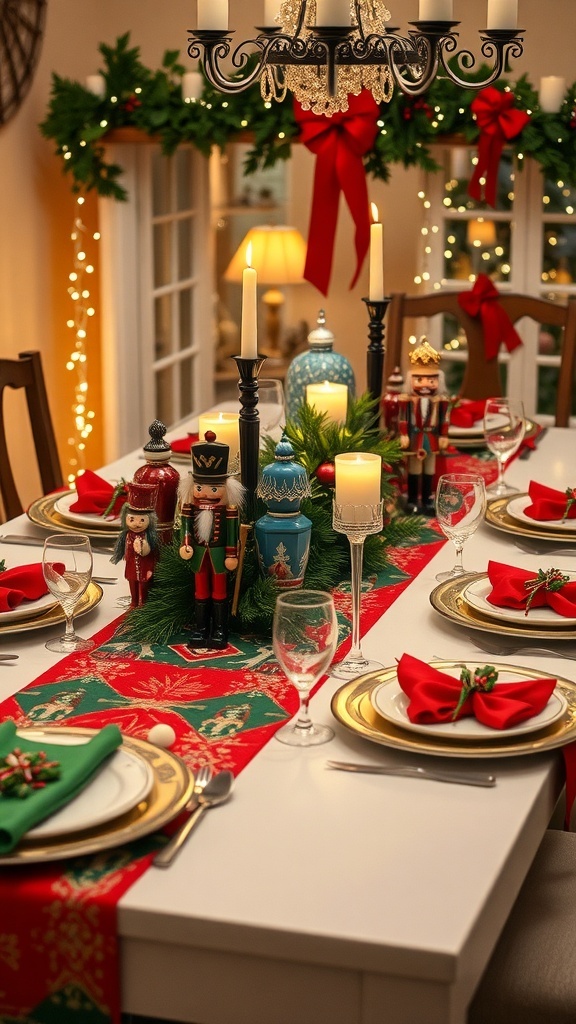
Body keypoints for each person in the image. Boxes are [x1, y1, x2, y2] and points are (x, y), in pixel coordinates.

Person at [178, 431, 244, 650]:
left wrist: (231, 553)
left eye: (214, 488)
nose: (205, 492)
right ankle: (200, 628)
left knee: (219, 591)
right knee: (200, 591)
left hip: (218, 556)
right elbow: (185, 527)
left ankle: (220, 630)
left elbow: (232, 531)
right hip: (198, 555)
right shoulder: (190, 508)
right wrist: (185, 544)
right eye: (199, 487)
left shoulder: (229, 511)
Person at [398, 339, 450, 516]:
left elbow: (444, 420)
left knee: (429, 470)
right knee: (414, 469)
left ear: (438, 381)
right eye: (419, 379)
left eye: (431, 380)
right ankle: (413, 500)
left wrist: (443, 435)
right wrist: (403, 434)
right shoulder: (407, 401)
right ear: (410, 380)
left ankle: (427, 500)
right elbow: (402, 419)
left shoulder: (440, 401)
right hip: (415, 438)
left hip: (431, 439)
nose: (425, 385)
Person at [111, 481, 160, 606]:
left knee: (144, 586)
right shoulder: (126, 535)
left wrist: (142, 547)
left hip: (145, 567)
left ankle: (143, 604)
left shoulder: (149, 536)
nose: (136, 524)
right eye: (131, 519)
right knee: (132, 583)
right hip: (131, 567)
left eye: (142, 520)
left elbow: (150, 551)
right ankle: (133, 603)